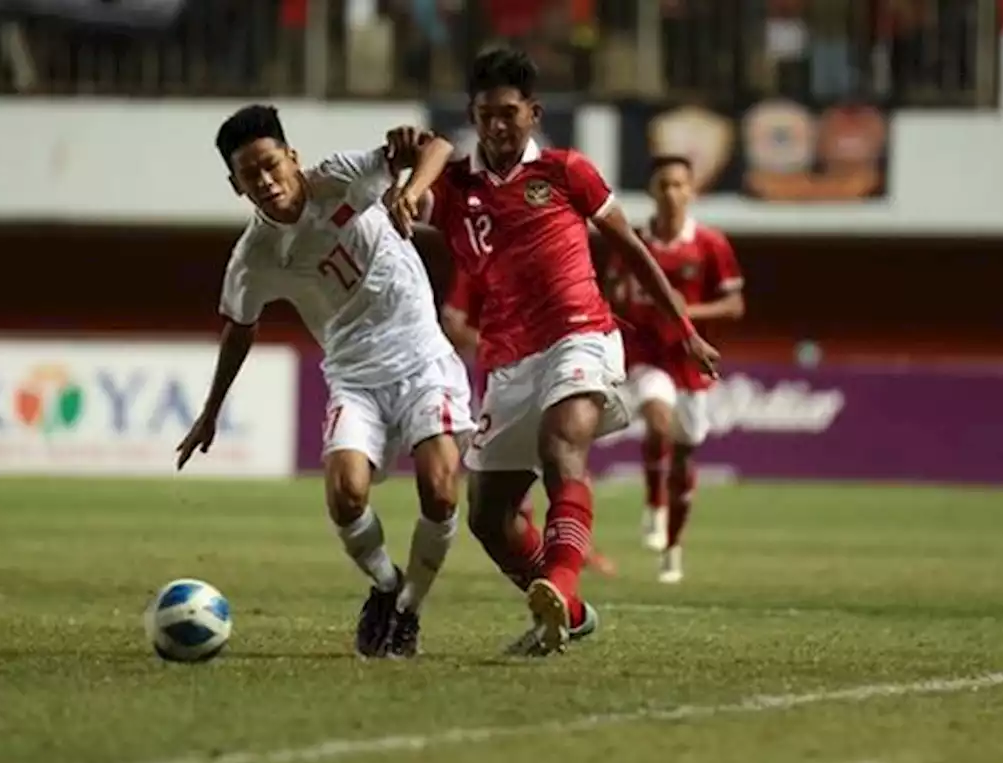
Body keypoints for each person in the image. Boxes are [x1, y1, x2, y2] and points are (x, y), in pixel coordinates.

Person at [391, 49, 720, 656]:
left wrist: (684, 328)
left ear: (534, 113)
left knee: (560, 445)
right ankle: (566, 608)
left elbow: (633, 251)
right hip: (510, 361)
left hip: (581, 334)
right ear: (473, 114)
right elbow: (405, 203)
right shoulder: (456, 185)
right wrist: (405, 163)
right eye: (486, 114)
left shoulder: (569, 172)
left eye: (509, 114)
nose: (497, 126)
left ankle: (560, 580)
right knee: (488, 516)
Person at [176, 106, 473, 659]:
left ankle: (409, 610)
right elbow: (240, 328)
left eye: (271, 165)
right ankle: (385, 586)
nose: (265, 182)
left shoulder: (341, 178)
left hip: (422, 360)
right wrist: (210, 410)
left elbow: (436, 148)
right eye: (250, 175)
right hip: (354, 376)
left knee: (439, 488)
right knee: (344, 495)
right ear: (236, 185)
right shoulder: (253, 258)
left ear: (293, 158)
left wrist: (410, 191)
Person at [609, 156, 745, 583]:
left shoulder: (710, 244)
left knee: (685, 453)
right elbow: (614, 294)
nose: (671, 192)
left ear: (691, 191)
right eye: (663, 184)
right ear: (652, 191)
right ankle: (654, 504)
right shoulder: (634, 242)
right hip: (647, 356)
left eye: (678, 184)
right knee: (657, 421)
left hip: (690, 360)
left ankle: (673, 545)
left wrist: (689, 311)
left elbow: (735, 304)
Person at [441, 269, 617, 582]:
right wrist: (500, 344)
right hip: (504, 378)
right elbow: (453, 323)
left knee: (562, 456)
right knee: (510, 488)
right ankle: (551, 568)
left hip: (549, 366)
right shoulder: (478, 262)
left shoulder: (540, 252)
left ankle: (568, 558)